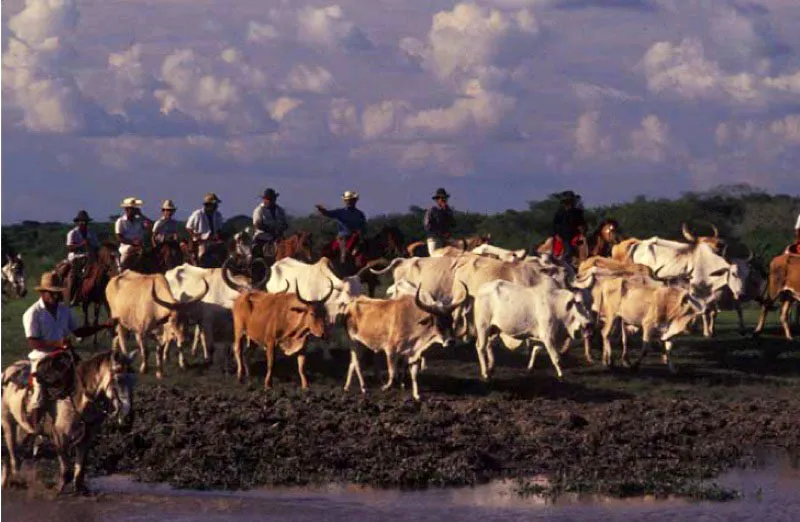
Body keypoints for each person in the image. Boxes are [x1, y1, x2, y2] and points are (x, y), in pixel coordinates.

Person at [23, 272, 115, 429]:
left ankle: (91, 415)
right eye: (52, 293)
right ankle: (34, 427)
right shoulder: (33, 313)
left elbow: (78, 331)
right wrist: (58, 343)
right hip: (42, 358)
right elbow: (34, 342)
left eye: (58, 293)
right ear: (43, 293)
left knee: (87, 379)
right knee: (39, 393)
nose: (56, 296)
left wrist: (103, 326)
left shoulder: (64, 310)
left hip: (64, 355)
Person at [316, 190, 367, 265]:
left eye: (351, 200)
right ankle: (342, 266)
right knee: (344, 252)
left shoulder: (359, 214)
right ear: (345, 201)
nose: (349, 202)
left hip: (357, 237)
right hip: (343, 237)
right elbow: (329, 213)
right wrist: (323, 211)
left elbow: (363, 226)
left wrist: (361, 232)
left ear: (355, 201)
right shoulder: (340, 212)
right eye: (347, 200)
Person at [64, 210, 99, 305]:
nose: (84, 223)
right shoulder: (72, 233)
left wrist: (92, 248)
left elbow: (96, 246)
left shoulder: (91, 233)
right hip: (76, 257)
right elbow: (69, 247)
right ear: (78, 222)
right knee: (74, 274)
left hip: (89, 256)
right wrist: (81, 244)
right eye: (81, 221)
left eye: (85, 221)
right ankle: (71, 296)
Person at [186, 193, 224, 267]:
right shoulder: (198, 214)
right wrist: (195, 236)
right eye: (215, 204)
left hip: (214, 240)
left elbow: (219, 229)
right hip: (201, 241)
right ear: (209, 204)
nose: (216, 206)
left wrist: (220, 238)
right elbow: (188, 227)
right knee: (202, 256)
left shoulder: (218, 214)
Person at [252, 188, 288, 260]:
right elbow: (257, 224)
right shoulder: (259, 210)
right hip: (263, 236)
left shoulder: (280, 210)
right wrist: (271, 230)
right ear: (264, 199)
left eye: (271, 199)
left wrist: (281, 229)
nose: (270, 201)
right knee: (257, 251)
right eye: (268, 199)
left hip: (278, 236)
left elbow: (285, 223)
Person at [552, 191, 587, 264]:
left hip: (575, 235)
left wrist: (582, 229)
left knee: (584, 243)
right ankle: (565, 262)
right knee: (567, 250)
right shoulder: (560, 213)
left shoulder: (577, 212)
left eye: (571, 201)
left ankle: (584, 260)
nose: (570, 203)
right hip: (563, 236)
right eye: (568, 201)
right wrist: (557, 234)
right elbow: (555, 225)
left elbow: (582, 223)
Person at [115, 197, 149, 270]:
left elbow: (150, 225)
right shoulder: (120, 221)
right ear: (127, 209)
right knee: (122, 265)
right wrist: (132, 242)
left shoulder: (139, 220)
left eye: (135, 208)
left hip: (140, 247)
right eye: (132, 208)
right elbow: (119, 238)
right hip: (126, 248)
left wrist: (141, 215)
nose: (134, 210)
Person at [424, 188, 456, 255]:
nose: (444, 200)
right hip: (434, 238)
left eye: (445, 198)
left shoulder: (448, 211)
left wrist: (448, 212)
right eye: (442, 199)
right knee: (434, 256)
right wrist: (439, 233)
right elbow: (427, 226)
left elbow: (453, 224)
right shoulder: (431, 211)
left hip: (446, 238)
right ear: (437, 200)